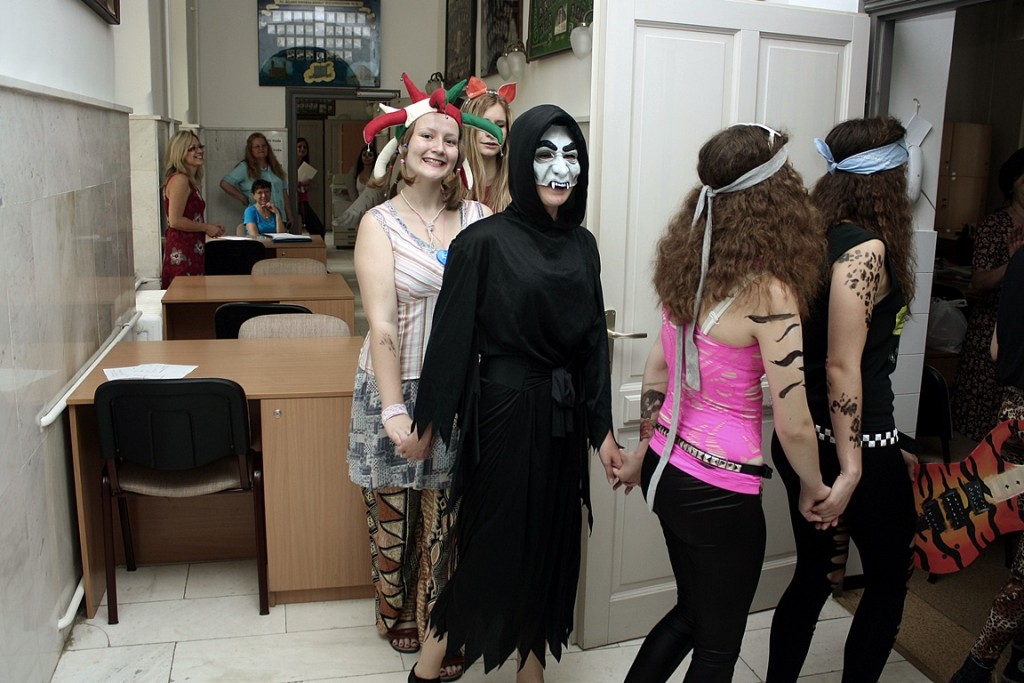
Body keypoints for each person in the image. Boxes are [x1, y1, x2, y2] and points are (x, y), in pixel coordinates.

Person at [402, 104, 622, 683]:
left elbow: (592, 345)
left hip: (561, 420)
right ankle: (427, 669)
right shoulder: (483, 242)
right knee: (490, 548)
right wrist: (426, 427)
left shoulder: (583, 246)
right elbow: (450, 341)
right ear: (523, 160)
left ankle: (531, 671)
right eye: (545, 154)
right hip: (502, 416)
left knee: (548, 546)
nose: (560, 169)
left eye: (571, 155)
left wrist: (602, 432)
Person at [611, 124, 833, 682]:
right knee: (717, 647)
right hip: (718, 490)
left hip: (667, 469)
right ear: (775, 197)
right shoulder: (769, 291)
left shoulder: (687, 263)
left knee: (692, 613)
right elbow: (795, 422)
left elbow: (658, 368)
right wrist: (813, 486)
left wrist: (645, 449)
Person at [346, 73, 499, 683]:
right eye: (427, 136)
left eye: (450, 138)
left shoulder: (480, 218)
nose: (438, 146)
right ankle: (394, 609)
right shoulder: (379, 224)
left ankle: (438, 621)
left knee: (446, 522)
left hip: (457, 391)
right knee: (395, 519)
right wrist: (393, 411)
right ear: (403, 148)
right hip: (394, 384)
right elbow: (382, 323)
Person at [766, 117, 918, 683]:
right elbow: (840, 365)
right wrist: (856, 467)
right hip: (853, 447)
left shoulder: (814, 237)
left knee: (812, 575)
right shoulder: (866, 250)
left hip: (808, 441)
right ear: (889, 179)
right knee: (888, 577)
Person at [949, 247, 1024, 683]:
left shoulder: (1020, 258)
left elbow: (996, 349)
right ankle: (977, 666)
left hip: (1012, 418)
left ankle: (1017, 658)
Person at [952, 148, 1024, 441]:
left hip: (1018, 332)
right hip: (991, 328)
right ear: (1012, 184)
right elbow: (977, 282)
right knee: (982, 426)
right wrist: (1014, 264)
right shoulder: (995, 226)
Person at [160, 131, 224, 288]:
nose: (199, 151)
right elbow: (175, 220)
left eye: (200, 146)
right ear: (180, 153)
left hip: (192, 248)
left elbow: (189, 216)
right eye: (192, 148)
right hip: (182, 250)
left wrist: (209, 227)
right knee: (185, 294)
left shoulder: (189, 180)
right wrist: (206, 227)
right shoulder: (180, 180)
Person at [219, 132, 297, 230]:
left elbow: (284, 193)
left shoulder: (275, 167)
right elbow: (225, 183)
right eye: (257, 146)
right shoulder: (245, 167)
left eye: (264, 145)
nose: (261, 149)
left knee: (281, 240)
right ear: (250, 150)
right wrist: (244, 198)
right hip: (259, 218)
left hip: (280, 217)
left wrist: (289, 215)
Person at [461, 76, 515, 212]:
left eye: (500, 125)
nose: (491, 133)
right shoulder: (448, 183)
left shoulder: (517, 185)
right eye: (483, 124)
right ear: (468, 127)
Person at [294, 137, 325, 236]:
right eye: (299, 147)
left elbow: (304, 188)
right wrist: (301, 184)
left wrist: (306, 186)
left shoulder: (305, 165)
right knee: (317, 229)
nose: (302, 149)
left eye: (304, 147)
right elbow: (288, 185)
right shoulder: (289, 165)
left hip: (303, 200)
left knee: (319, 230)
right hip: (294, 202)